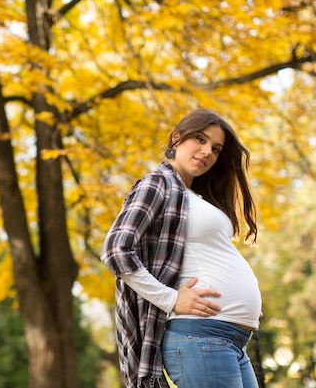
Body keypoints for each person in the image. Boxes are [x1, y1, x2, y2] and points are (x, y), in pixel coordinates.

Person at [101, 109, 261, 388]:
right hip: (201, 337)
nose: (207, 151)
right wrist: (170, 299)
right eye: (200, 139)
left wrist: (246, 302)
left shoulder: (195, 198)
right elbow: (116, 250)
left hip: (229, 338)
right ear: (177, 138)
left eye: (215, 148)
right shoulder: (158, 184)